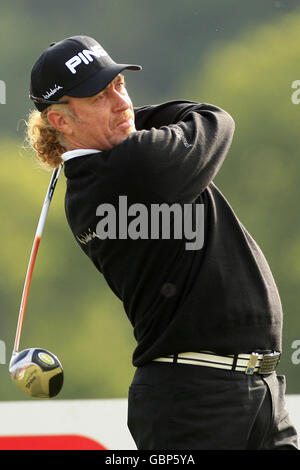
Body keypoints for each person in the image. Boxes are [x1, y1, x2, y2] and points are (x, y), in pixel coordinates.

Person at [26, 35, 298, 450]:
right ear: (60, 121)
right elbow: (215, 119)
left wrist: (118, 118)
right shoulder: (136, 167)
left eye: (120, 86)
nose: (121, 102)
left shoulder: (93, 183)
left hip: (248, 392)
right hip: (197, 401)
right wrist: (133, 120)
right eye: (100, 96)